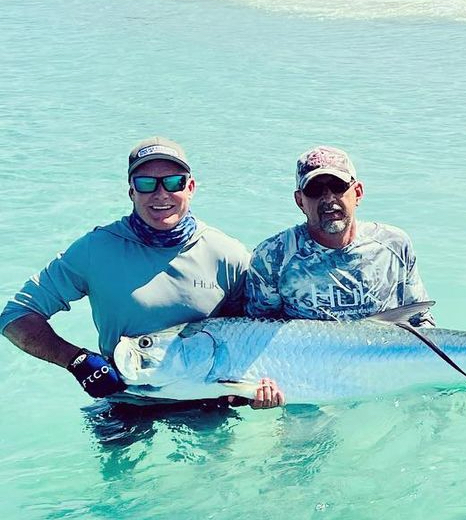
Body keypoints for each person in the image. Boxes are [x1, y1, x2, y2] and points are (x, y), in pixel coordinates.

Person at [0, 137, 280, 409]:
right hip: (125, 401)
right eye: (146, 184)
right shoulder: (95, 250)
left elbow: (259, 333)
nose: (161, 195)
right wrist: (76, 360)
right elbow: (15, 316)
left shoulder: (227, 254)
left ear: (191, 187)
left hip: (207, 402)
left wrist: (257, 386)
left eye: (174, 182)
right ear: (131, 191)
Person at [244, 145, 430, 322]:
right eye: (315, 190)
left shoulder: (394, 244)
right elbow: (257, 331)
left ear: (357, 193)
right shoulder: (272, 256)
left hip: (386, 353)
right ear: (300, 201)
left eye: (338, 186)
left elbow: (420, 319)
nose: (328, 198)